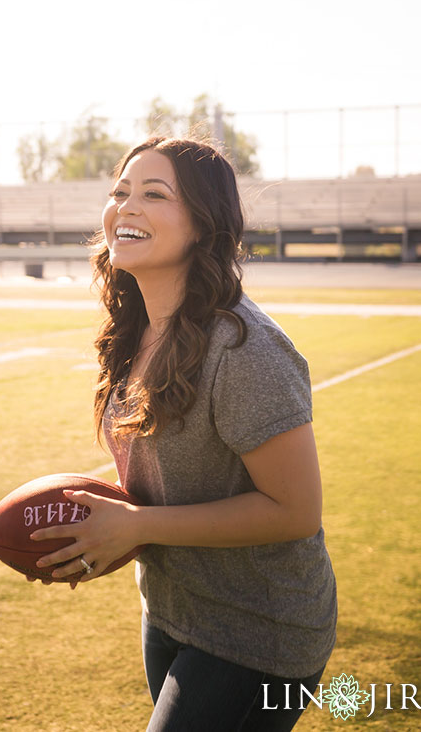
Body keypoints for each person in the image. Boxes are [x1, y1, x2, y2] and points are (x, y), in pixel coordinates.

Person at [29, 137, 334, 731]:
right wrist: (99, 515)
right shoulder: (137, 329)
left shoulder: (245, 348)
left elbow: (296, 511)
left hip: (258, 633)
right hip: (172, 612)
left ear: (203, 224)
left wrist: (138, 526)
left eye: (154, 194)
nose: (127, 207)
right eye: (119, 193)